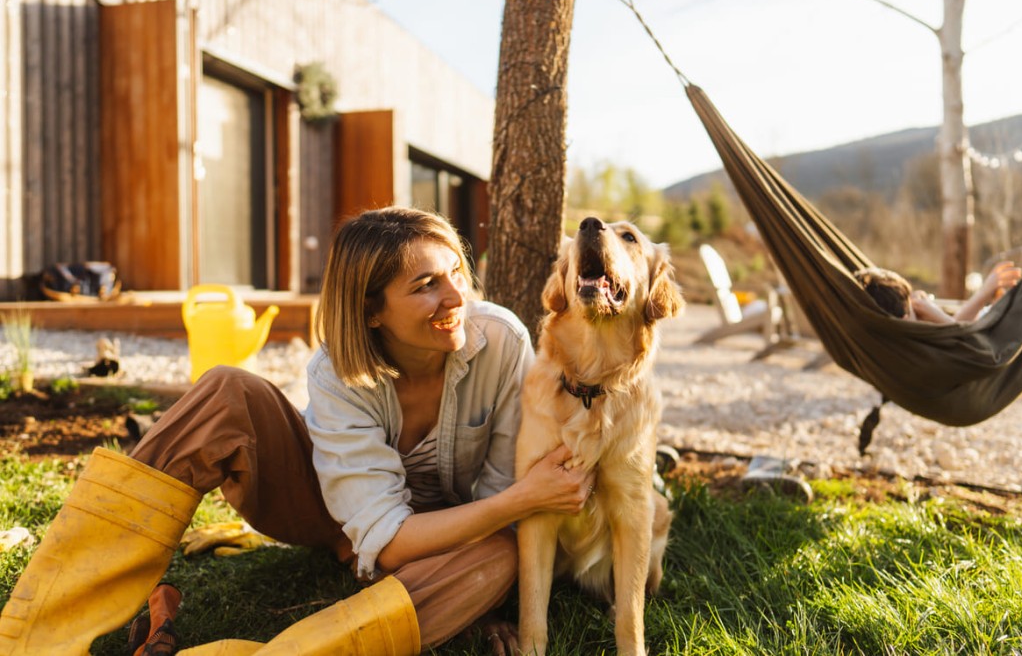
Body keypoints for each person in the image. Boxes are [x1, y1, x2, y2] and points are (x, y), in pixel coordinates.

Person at [0, 206, 594, 656]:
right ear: (371, 311)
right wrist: (524, 500)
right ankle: (39, 632)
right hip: (328, 513)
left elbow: (495, 500)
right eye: (425, 285)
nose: (456, 297)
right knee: (226, 389)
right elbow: (388, 536)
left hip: (455, 539)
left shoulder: (503, 342)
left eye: (457, 272)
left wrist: (509, 512)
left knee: (497, 558)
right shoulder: (336, 370)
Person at [855, 260, 1022, 323]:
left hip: (986, 319)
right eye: (911, 303)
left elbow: (957, 328)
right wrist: (935, 314)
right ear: (904, 319)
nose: (916, 302)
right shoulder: (918, 340)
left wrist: (986, 293)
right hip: (997, 331)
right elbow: (967, 339)